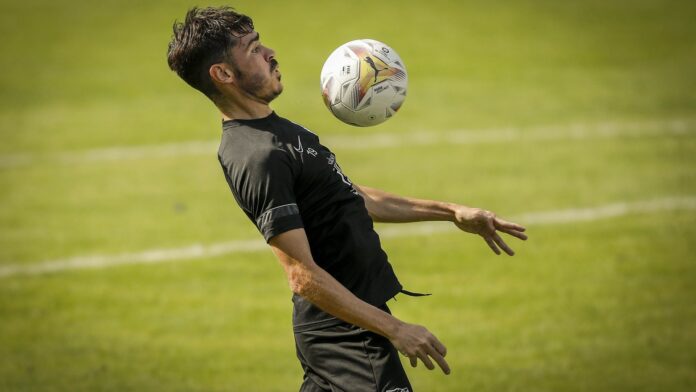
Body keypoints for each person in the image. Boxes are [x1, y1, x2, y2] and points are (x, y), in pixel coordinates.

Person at [167, 6, 527, 391]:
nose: (271, 52)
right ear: (223, 74)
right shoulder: (258, 156)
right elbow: (301, 275)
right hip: (345, 338)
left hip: (352, 324)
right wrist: (397, 329)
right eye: (254, 49)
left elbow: (354, 197)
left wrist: (451, 212)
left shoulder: (279, 130)